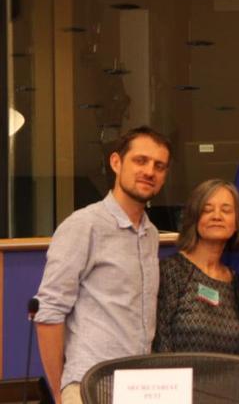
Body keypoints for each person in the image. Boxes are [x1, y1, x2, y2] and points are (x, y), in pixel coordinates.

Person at [34, 126, 172, 404]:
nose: (150, 171)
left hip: (139, 387)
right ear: (116, 162)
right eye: (140, 160)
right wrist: (61, 395)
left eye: (159, 166)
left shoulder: (151, 233)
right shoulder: (84, 225)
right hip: (90, 386)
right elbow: (49, 313)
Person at [153, 179, 239, 354]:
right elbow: (160, 341)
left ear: (237, 223)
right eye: (207, 209)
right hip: (179, 379)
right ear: (195, 218)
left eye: (226, 210)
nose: (217, 216)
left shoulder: (234, 282)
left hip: (227, 380)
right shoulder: (171, 270)